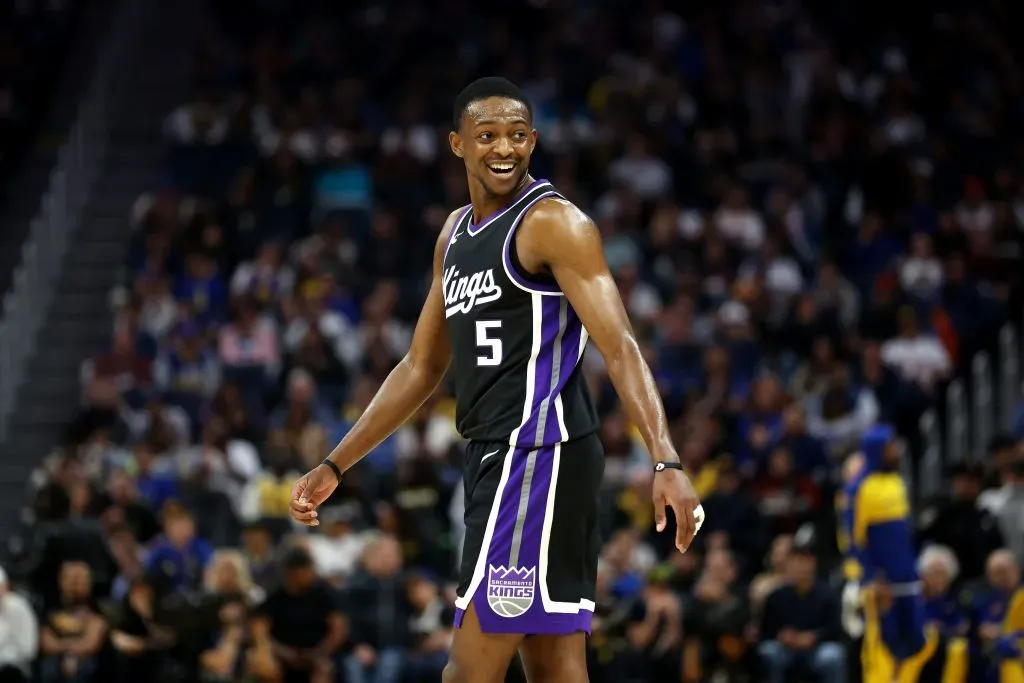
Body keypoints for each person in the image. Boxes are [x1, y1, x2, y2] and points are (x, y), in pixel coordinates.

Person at [289, 76, 703, 683]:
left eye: (516, 135)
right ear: (458, 144)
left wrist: (665, 458)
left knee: (467, 671)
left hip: (536, 455)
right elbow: (420, 367)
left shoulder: (553, 222)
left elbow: (620, 345)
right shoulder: (454, 235)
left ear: (533, 141)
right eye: (486, 135)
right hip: (496, 455)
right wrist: (335, 464)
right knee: (554, 665)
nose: (503, 148)